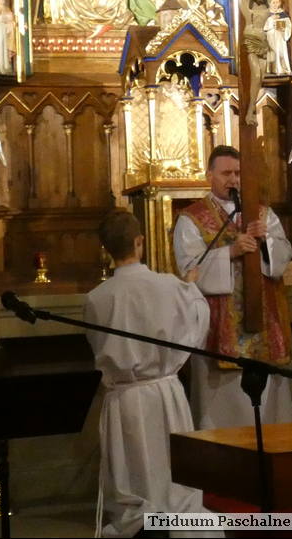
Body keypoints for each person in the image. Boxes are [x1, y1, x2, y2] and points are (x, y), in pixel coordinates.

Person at [84, 211, 210, 538]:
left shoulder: (97, 298)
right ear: (140, 242)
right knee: (173, 477)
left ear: (105, 249)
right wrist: (191, 288)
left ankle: (139, 524)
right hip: (165, 392)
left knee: (134, 474)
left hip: (124, 397)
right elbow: (196, 325)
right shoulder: (170, 286)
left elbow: (98, 345)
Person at [173, 146, 292, 430]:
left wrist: (266, 242)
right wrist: (230, 252)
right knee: (225, 413)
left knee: (269, 413)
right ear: (210, 175)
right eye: (226, 173)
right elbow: (189, 271)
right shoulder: (192, 218)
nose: (233, 180)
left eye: (238, 173)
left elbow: (282, 260)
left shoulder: (263, 214)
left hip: (263, 322)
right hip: (220, 328)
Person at [183, 0, 292, 124]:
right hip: (251, 39)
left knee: (260, 77)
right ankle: (250, 111)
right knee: (255, 75)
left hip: (263, 40)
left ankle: (252, 110)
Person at [263, 0, 292, 76]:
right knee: (272, 52)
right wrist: (271, 19)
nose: (275, 4)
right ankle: (272, 69)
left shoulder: (283, 14)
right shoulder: (267, 14)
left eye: (277, 2)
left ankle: (283, 69)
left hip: (280, 35)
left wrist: (283, 28)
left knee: (281, 52)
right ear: (269, 3)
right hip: (271, 36)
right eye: (273, 2)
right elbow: (264, 27)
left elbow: (288, 25)